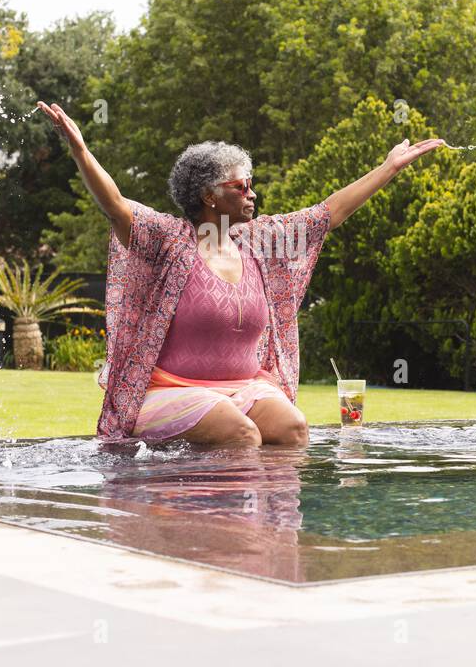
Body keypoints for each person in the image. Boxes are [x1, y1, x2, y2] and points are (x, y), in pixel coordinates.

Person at [37, 101, 443, 447]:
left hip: (244, 386)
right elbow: (116, 206)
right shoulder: (168, 240)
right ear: (209, 195)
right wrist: (81, 151)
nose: (252, 194)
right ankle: (221, 529)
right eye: (241, 185)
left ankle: (267, 528)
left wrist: (389, 168)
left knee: (294, 428)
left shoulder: (262, 242)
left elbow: (329, 212)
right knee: (242, 434)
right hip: (169, 390)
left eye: (252, 185)